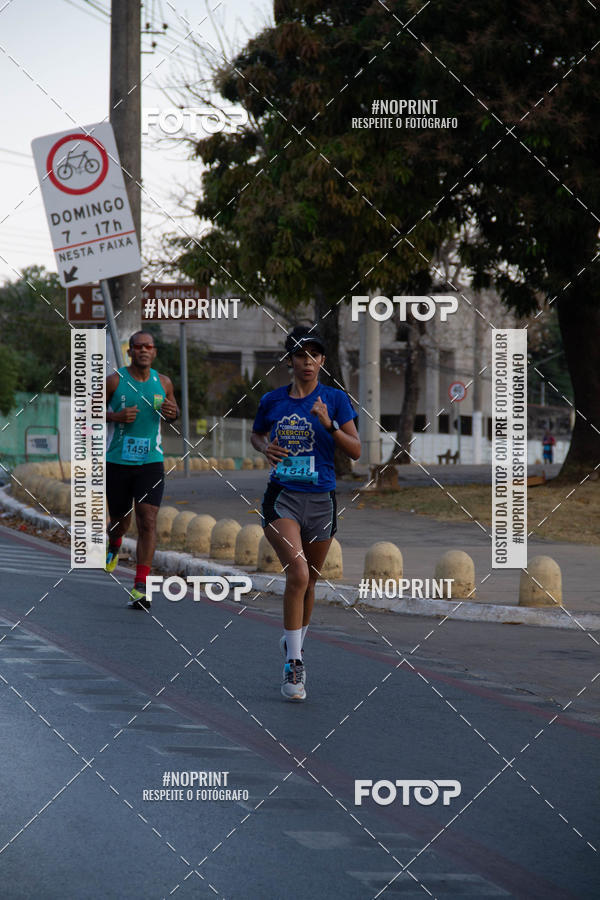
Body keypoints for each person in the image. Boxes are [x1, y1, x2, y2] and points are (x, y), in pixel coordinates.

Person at [251, 325, 361, 701]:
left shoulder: (335, 399)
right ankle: (294, 664)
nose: (307, 362)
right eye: (300, 355)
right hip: (283, 497)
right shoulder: (272, 401)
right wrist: (265, 447)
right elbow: (257, 434)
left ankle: (293, 640)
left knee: (310, 582)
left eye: (314, 355)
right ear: (290, 360)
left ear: (323, 361)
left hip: (322, 499)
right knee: (296, 574)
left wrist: (328, 424)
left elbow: (356, 451)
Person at [105, 331, 179, 609]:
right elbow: (87, 409)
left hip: (151, 462)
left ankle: (140, 585)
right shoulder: (114, 381)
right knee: (120, 522)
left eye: (148, 346)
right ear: (130, 352)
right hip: (118, 463)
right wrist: (115, 416)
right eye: (138, 347)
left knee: (147, 520)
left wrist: (173, 413)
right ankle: (114, 544)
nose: (143, 350)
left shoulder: (164, 382)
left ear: (155, 352)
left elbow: (174, 413)